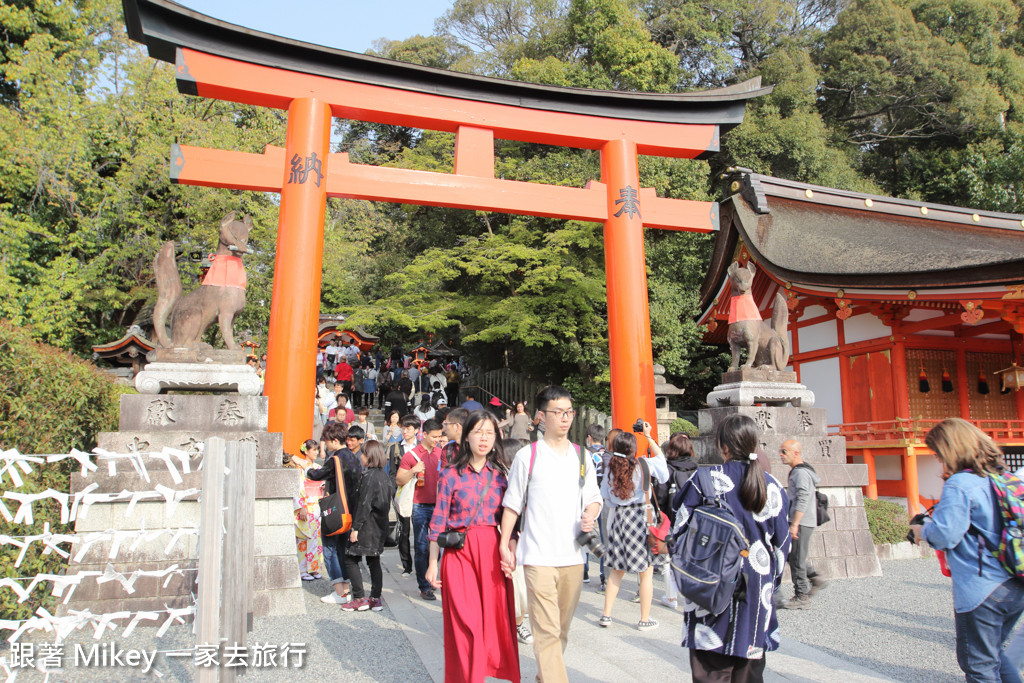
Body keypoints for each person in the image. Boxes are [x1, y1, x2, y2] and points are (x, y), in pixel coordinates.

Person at [674, 414, 791, 683]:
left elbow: (678, 532)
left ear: (723, 447)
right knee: (749, 671)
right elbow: (783, 546)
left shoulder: (704, 480)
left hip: (710, 582)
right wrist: (771, 583)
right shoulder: (772, 486)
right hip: (755, 585)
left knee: (711, 671)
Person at [499, 386, 602, 683]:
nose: (565, 418)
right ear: (542, 416)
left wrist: (590, 513)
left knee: (560, 630)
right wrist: (505, 544)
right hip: (537, 556)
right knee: (545, 629)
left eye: (568, 412)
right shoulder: (527, 457)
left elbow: (594, 497)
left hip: (573, 556)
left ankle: (546, 676)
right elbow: (512, 504)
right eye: (558, 413)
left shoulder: (582, 457)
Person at [910, 418, 1024, 683]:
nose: (940, 462)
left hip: (982, 588)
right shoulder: (1002, 477)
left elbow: (945, 536)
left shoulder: (961, 484)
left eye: (939, 455)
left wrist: (922, 531)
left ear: (951, 450)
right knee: (994, 655)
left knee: (978, 665)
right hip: (1014, 580)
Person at [426, 411, 520, 683]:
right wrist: (433, 563)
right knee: (466, 624)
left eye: (490, 433)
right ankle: (468, 678)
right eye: (478, 432)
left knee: (493, 622)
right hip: (459, 555)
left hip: (491, 553)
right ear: (466, 436)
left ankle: (485, 670)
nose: (484, 438)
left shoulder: (501, 475)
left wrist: (510, 549)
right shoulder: (450, 474)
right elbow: (438, 521)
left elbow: (511, 519)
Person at [597, 430, 661, 631]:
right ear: (633, 449)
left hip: (619, 519)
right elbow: (663, 464)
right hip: (640, 518)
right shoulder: (644, 465)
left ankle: (606, 615)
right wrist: (649, 437)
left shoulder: (610, 469)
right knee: (646, 571)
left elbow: (605, 496)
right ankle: (644, 618)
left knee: (616, 570)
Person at [304, 421, 363, 604]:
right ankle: (345, 590)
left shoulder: (336, 459)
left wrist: (305, 466)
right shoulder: (354, 457)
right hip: (351, 511)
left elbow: (316, 475)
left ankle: (340, 592)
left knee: (330, 548)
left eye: (327, 441)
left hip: (335, 511)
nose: (325, 444)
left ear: (335, 440)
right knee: (342, 550)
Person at [342, 440, 394, 612]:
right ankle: (375, 598)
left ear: (369, 456)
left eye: (363, 454)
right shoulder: (383, 476)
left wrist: (355, 528)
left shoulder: (369, 477)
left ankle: (358, 598)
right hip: (379, 525)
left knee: (351, 558)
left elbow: (364, 504)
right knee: (373, 560)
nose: (361, 457)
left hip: (367, 525)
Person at [397, 418, 446, 600]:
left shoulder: (441, 453)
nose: (437, 439)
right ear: (423, 435)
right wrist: (414, 470)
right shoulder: (411, 455)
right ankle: (424, 586)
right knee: (421, 545)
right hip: (419, 505)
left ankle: (430, 575)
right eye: (434, 436)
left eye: (440, 436)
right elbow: (399, 480)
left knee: (438, 545)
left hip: (439, 505)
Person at [778, 439, 828, 609]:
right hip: (800, 520)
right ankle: (814, 577)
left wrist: (795, 524)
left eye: (784, 451)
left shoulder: (801, 473)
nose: (781, 455)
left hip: (801, 521)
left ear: (796, 453)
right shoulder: (799, 471)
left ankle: (801, 596)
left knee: (797, 559)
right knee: (792, 556)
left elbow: (803, 498)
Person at [651, 431, 698, 609]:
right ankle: (691, 596)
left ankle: (671, 597)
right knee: (690, 558)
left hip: (670, 517)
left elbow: (660, 495)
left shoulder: (667, 468)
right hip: (692, 519)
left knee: (669, 559)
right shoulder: (697, 468)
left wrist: (659, 515)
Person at [389, 414, 422, 577]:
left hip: (420, 494)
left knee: (421, 530)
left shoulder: (422, 447)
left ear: (416, 430)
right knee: (404, 530)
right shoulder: (395, 448)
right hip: (403, 494)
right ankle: (406, 565)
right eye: (403, 428)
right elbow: (392, 473)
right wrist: (395, 492)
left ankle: (422, 561)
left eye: (408, 428)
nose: (405, 431)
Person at [287, 441, 324, 581]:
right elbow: (297, 488)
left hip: (316, 505)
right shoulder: (299, 468)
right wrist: (301, 506)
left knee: (316, 538)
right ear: (306, 451)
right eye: (314, 450)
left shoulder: (317, 467)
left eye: (317, 450)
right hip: (305, 506)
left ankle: (313, 567)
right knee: (303, 538)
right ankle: (302, 569)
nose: (316, 452)